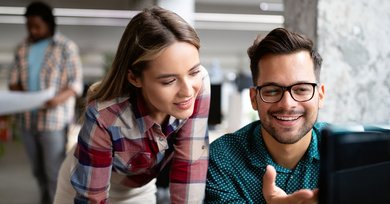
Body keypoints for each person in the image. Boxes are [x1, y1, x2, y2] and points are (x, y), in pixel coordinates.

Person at [53, 6, 210, 204]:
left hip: (138, 187)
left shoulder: (200, 85)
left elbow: (189, 165)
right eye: (169, 81)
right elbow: (92, 198)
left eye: (193, 72)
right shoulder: (105, 116)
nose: (188, 90)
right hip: (87, 179)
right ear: (135, 78)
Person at [205, 27, 327, 204]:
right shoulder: (222, 159)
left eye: (301, 89)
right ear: (254, 99)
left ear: (320, 96)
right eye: (272, 91)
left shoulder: (349, 154)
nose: (287, 104)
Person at [8, 1, 83, 204]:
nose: (33, 30)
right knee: (38, 172)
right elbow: (13, 81)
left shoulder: (66, 47)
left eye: (37, 26)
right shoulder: (22, 48)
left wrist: (56, 99)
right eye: (29, 26)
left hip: (53, 122)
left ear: (49, 24)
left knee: (53, 173)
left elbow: (76, 84)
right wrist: (22, 93)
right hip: (26, 121)